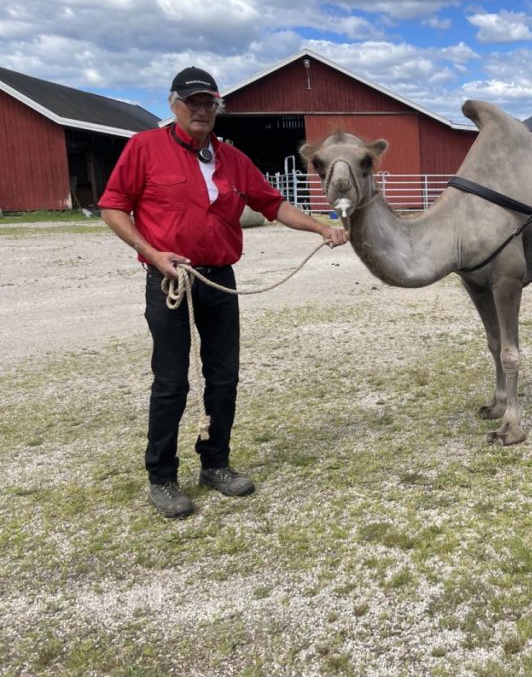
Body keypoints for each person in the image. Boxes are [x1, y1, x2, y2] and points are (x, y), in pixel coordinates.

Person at [98, 66, 348, 519]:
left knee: (225, 378)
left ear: (218, 107)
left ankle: (215, 463)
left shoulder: (232, 159)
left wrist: (321, 228)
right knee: (172, 382)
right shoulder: (144, 148)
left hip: (219, 281)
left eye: (209, 102)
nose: (201, 110)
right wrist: (151, 253)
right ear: (174, 105)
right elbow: (113, 207)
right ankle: (162, 476)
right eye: (192, 102)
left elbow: (273, 204)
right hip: (171, 278)